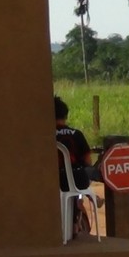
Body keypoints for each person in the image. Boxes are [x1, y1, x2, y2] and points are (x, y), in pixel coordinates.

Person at [55, 96, 102, 237]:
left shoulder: (42, 136)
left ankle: (86, 198)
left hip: (54, 180)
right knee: (86, 172)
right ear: (65, 115)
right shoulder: (77, 134)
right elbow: (87, 160)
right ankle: (86, 198)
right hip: (76, 180)